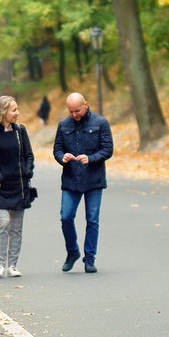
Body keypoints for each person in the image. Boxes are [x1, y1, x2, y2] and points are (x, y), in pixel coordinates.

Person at [52, 92, 113, 274]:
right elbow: (57, 149)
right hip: (71, 179)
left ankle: (90, 259)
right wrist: (62, 157)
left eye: (77, 111)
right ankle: (72, 252)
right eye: (70, 111)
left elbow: (108, 149)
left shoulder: (100, 123)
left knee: (92, 219)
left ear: (85, 105)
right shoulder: (63, 125)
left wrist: (91, 158)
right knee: (66, 217)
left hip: (94, 179)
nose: (74, 115)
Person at [0, 95, 34, 278]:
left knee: (16, 228)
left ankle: (12, 266)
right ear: (3, 112)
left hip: (20, 186)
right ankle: (0, 265)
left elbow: (29, 155)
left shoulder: (20, 131)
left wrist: (27, 172)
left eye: (17, 109)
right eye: (14, 110)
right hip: (1, 188)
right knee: (3, 223)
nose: (17, 113)